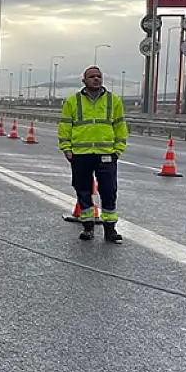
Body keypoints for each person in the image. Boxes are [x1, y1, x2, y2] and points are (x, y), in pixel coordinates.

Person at [58, 66, 128, 243]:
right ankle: (88, 227)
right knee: (83, 190)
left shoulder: (114, 101)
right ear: (84, 81)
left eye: (99, 76)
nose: (96, 79)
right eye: (92, 77)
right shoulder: (72, 102)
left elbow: (120, 127)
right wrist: (66, 148)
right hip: (81, 154)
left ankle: (110, 230)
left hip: (106, 154)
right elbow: (65, 126)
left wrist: (118, 150)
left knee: (109, 191)